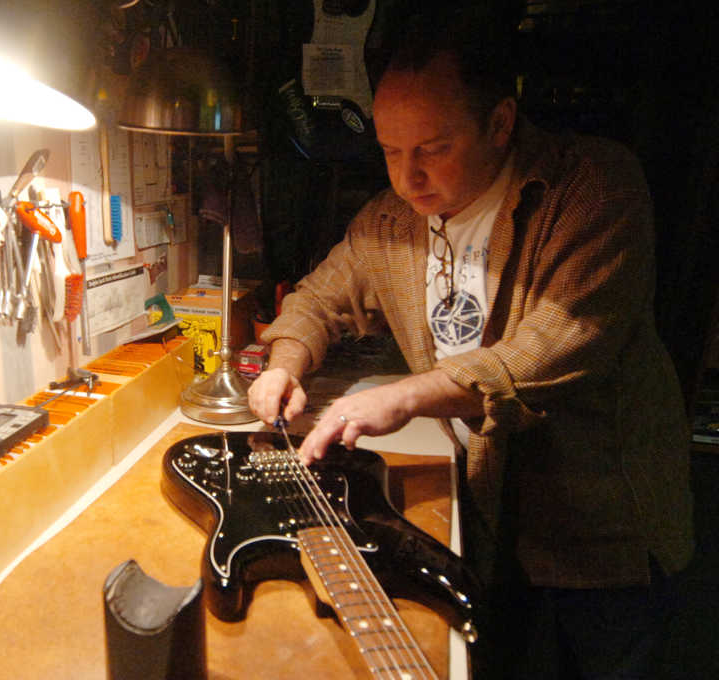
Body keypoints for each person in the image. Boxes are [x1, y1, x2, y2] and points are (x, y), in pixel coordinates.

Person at [248, 8, 693, 679]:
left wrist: (406, 398)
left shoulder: (595, 186)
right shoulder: (392, 219)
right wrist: (285, 364)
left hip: (605, 536)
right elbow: (317, 299)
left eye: (432, 149)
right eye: (391, 152)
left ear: (501, 124)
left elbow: (561, 341)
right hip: (489, 520)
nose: (408, 178)